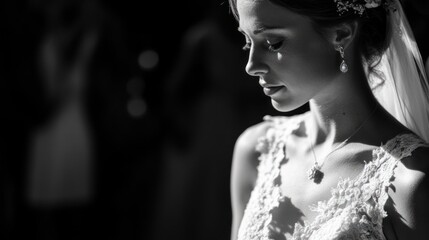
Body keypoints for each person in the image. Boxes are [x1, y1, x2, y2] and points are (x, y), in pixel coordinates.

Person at [228, 0, 429, 239]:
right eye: (248, 41)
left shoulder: (410, 183)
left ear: (341, 34)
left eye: (273, 43)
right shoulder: (256, 151)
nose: (251, 66)